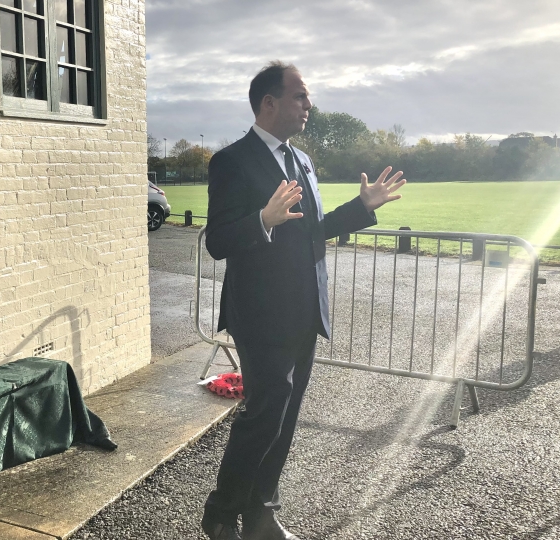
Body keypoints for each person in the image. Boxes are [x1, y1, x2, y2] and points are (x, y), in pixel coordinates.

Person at [201, 61, 406, 540]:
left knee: (286, 418)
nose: (308, 105)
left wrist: (362, 208)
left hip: (304, 309)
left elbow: (314, 231)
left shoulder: (302, 160)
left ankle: (261, 515)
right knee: (264, 415)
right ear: (269, 102)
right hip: (259, 314)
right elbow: (217, 242)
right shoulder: (231, 161)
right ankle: (220, 514)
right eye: (300, 96)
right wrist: (262, 220)